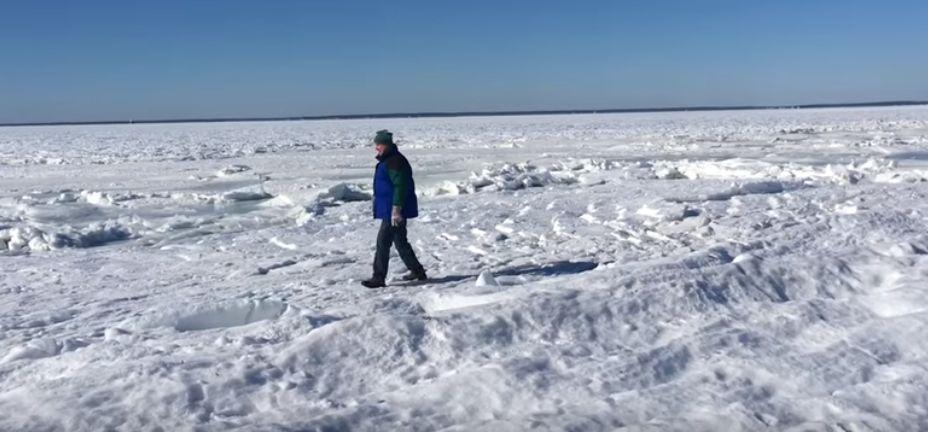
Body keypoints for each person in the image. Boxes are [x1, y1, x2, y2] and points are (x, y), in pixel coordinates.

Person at [361, 130, 427, 288]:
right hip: (390, 209)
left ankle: (378, 277)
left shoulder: (394, 161)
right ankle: (417, 271)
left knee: (383, 242)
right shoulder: (388, 160)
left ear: (386, 145)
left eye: (379, 145)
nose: (376, 148)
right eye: (376, 145)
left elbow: (401, 186)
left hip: (394, 211)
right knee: (400, 242)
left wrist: (396, 210)